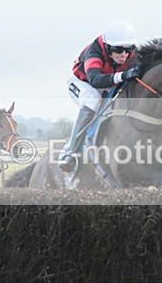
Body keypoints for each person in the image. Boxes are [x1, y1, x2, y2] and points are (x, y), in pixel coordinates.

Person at [59, 18, 141, 172]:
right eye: (118, 50)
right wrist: (123, 76)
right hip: (84, 83)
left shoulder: (131, 55)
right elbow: (95, 80)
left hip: (109, 84)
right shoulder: (95, 51)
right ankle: (70, 152)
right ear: (108, 47)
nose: (123, 54)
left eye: (128, 49)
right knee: (93, 101)